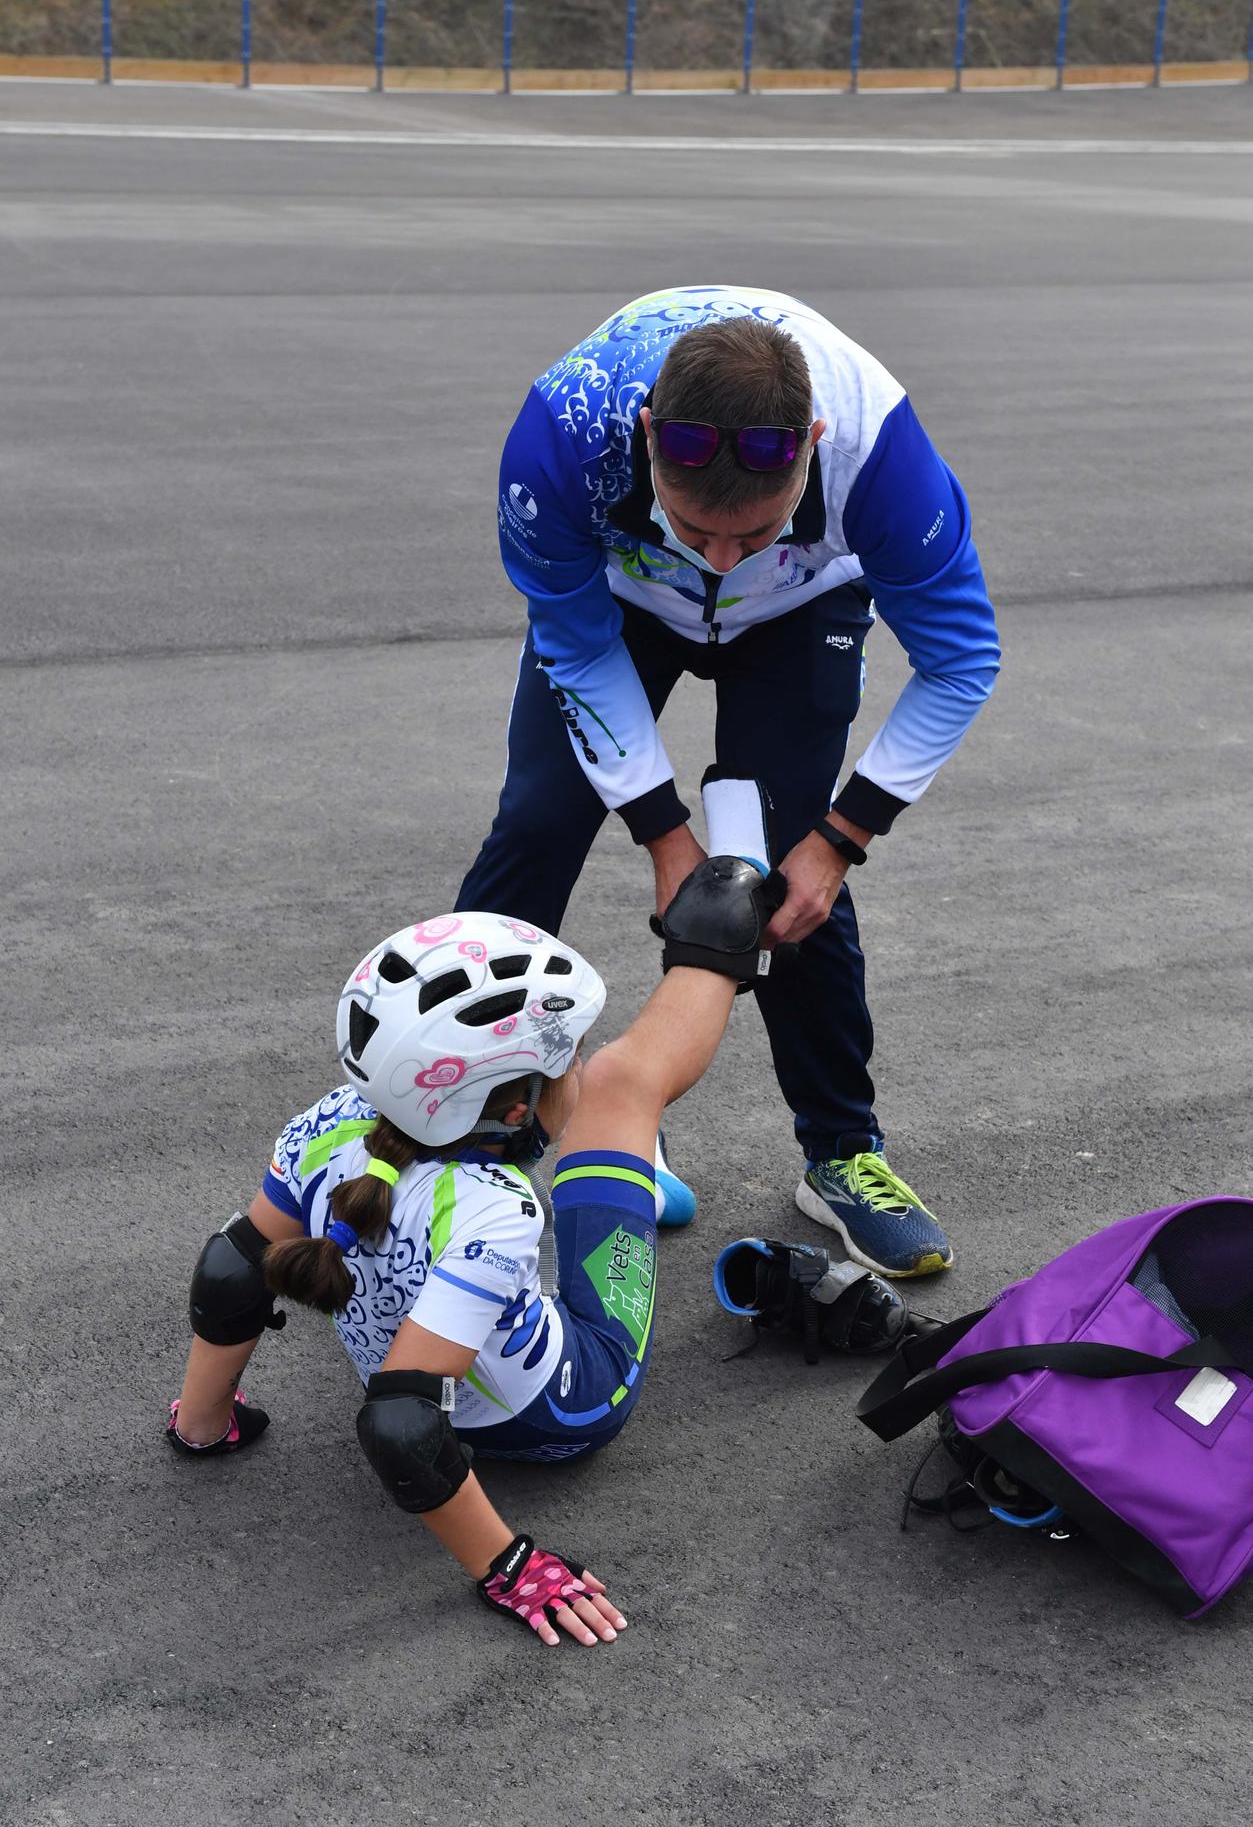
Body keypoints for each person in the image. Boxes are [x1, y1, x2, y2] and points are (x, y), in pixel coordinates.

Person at [456, 286, 1002, 1280]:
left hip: (804, 608)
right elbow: (577, 652)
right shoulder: (562, 435)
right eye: (695, 528)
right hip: (620, 601)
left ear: (812, 447)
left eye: (751, 535)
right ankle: (457, 1121)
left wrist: (839, 836)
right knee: (538, 819)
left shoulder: (879, 455)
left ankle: (842, 1154)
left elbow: (961, 659)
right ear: (645, 436)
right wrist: (666, 833)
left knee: (787, 876)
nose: (717, 560)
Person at [164, 825, 795, 1648]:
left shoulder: (331, 1120)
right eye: (564, 1059)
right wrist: (513, 1568)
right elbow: (402, 1425)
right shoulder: (495, 1209)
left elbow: (230, 1271)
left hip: (418, 1334)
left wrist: (203, 1428)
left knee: (587, 1115)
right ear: (509, 1110)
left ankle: (626, 1176)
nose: (578, 1064)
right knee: (623, 1090)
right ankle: (713, 949)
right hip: (560, 1409)